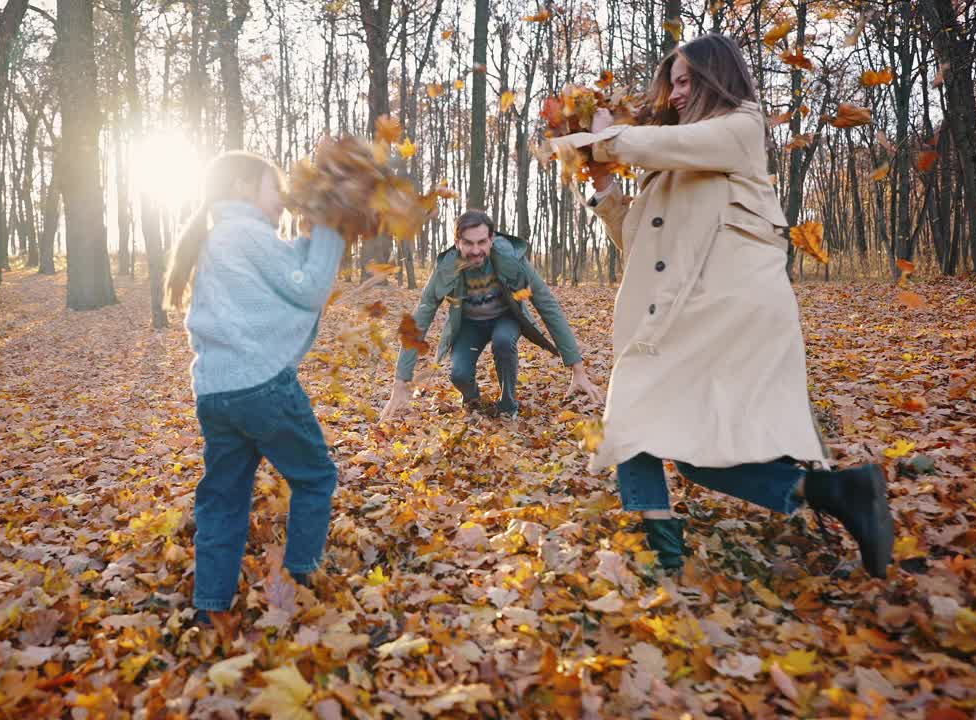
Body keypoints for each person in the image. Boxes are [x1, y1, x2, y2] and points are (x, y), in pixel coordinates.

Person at [554, 33, 894, 578]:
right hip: (691, 315)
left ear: (718, 78)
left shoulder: (741, 126)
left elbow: (660, 144)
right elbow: (641, 246)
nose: (677, 92)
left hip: (731, 314)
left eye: (687, 80)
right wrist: (601, 189)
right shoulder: (673, 162)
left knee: (635, 412)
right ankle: (837, 492)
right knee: (690, 455)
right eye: (674, 82)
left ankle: (661, 559)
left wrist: (603, 140)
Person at [166, 151, 344, 623]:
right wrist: (330, 227)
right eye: (274, 188)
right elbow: (306, 288)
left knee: (223, 500)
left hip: (215, 393)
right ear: (244, 187)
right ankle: (301, 580)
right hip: (262, 387)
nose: (282, 204)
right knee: (315, 478)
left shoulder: (217, 236)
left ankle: (210, 608)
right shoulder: (245, 231)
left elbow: (288, 272)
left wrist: (310, 235)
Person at [380, 209, 604, 420]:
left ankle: (508, 406)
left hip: (505, 319)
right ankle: (472, 399)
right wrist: (401, 381)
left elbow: (547, 305)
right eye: (468, 243)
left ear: (491, 239)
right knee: (458, 374)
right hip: (469, 325)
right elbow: (421, 316)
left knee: (504, 341)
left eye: (481, 242)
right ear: (457, 243)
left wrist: (577, 368)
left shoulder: (512, 259)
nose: (476, 250)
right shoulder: (446, 268)